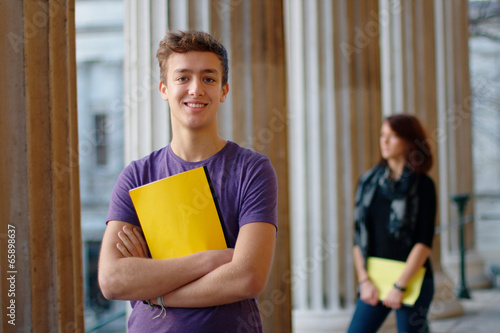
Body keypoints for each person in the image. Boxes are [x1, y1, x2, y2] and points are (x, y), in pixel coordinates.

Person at [98, 30, 278, 332]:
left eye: (208, 78)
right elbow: (113, 280)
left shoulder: (253, 170)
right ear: (164, 89)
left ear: (223, 90)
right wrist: (213, 260)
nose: (196, 89)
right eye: (183, 78)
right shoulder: (136, 175)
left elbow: (247, 277)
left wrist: (154, 291)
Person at [347, 114, 436, 333]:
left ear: (408, 141)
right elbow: (358, 235)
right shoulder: (368, 182)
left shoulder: (423, 185)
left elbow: (423, 242)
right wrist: (364, 281)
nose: (384, 141)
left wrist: (400, 286)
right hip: (374, 280)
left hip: (412, 280)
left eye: (392, 136)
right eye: (382, 135)